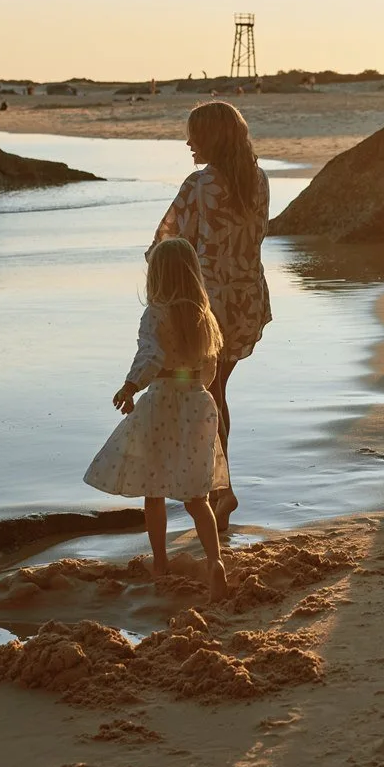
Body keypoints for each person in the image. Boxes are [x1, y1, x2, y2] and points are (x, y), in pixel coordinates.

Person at [84, 238, 229, 597]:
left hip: (161, 402)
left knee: (154, 489)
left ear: (158, 277)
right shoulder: (204, 316)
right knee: (197, 496)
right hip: (197, 402)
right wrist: (192, 385)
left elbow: (149, 356)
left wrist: (131, 386)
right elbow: (209, 369)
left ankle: (161, 562)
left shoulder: (155, 314)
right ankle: (215, 561)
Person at [153, 101, 270, 534]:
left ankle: (220, 491)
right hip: (247, 298)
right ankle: (218, 490)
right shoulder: (259, 179)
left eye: (194, 136)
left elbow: (167, 243)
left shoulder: (199, 185)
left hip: (209, 304)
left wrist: (159, 297)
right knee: (216, 390)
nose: (188, 142)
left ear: (212, 139)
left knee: (207, 394)